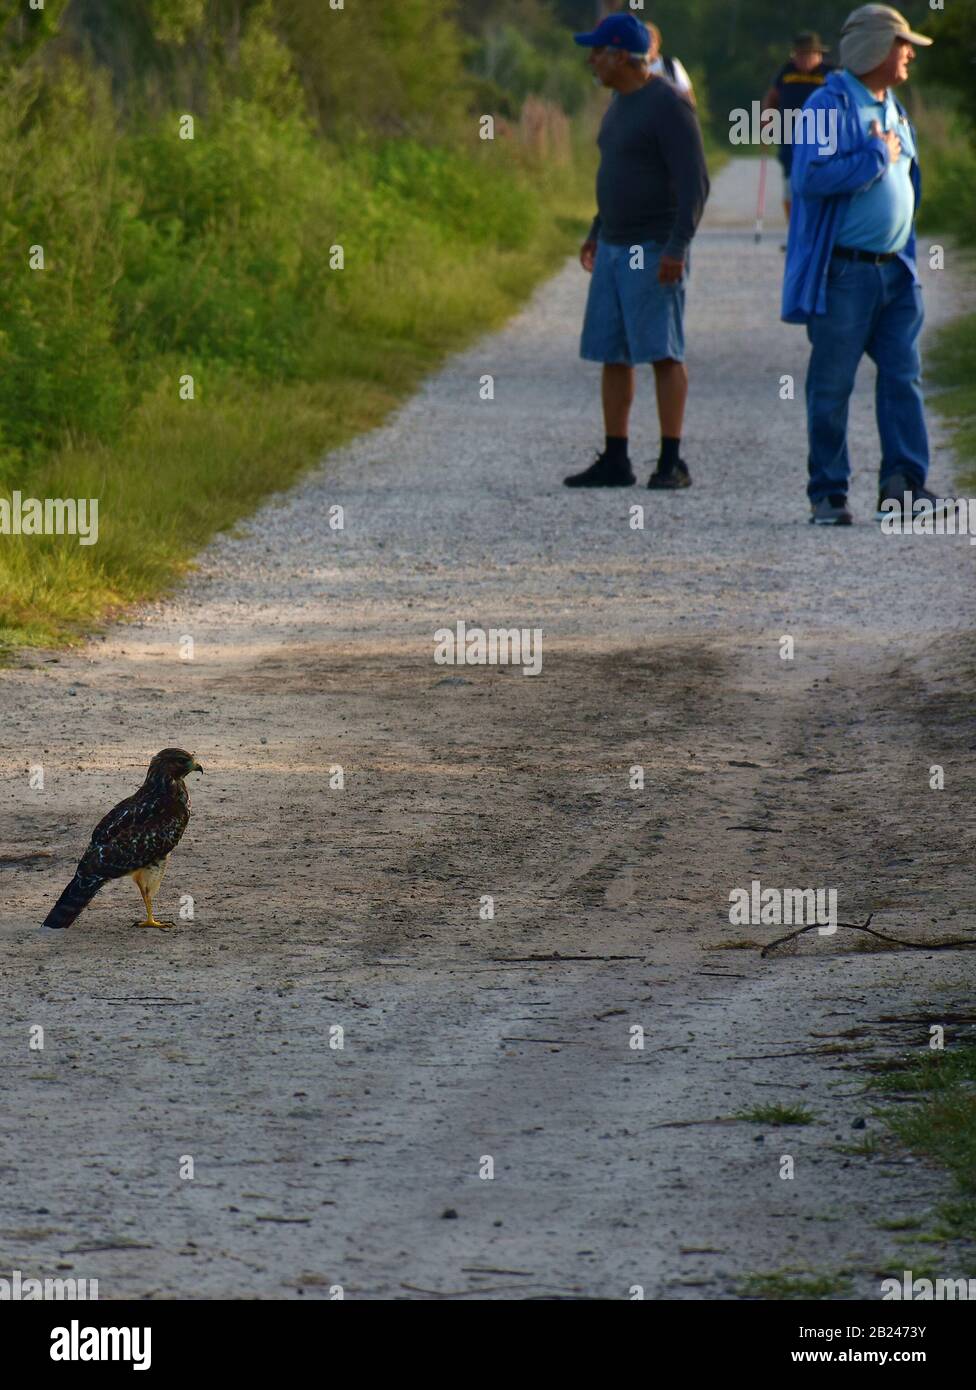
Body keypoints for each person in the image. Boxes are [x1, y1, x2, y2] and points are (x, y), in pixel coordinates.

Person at [783, 5, 941, 526]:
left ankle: (903, 487)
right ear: (875, 48)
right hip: (845, 273)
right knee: (831, 385)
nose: (910, 54)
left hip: (897, 271)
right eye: (902, 45)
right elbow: (811, 179)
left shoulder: (892, 105)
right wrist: (876, 158)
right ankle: (828, 492)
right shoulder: (829, 106)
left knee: (903, 376)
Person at [565, 11, 709, 491]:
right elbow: (618, 173)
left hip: (654, 247)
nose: (591, 59)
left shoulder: (668, 105)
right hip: (612, 244)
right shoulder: (618, 102)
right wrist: (595, 229)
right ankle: (616, 459)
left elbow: (695, 183)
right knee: (613, 352)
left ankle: (671, 462)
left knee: (663, 352)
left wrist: (677, 247)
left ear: (622, 56)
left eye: (598, 51)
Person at [763, 32, 833, 224]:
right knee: (790, 183)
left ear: (818, 54)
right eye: (798, 55)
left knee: (819, 182)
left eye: (806, 55)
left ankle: (815, 227)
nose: (801, 60)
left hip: (821, 139)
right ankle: (794, 230)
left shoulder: (830, 74)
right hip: (790, 137)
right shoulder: (786, 72)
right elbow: (772, 97)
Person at [646, 21, 696, 107]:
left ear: (658, 42)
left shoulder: (670, 65)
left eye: (652, 40)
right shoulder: (635, 70)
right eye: (645, 40)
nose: (649, 44)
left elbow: (688, 97)